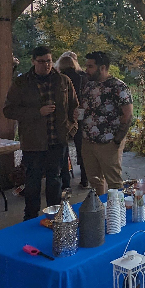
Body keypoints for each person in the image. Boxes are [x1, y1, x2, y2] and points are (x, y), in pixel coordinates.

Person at [4, 46, 78, 220]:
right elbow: (9, 110)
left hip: (57, 140)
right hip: (33, 141)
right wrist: (38, 111)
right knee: (33, 181)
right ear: (33, 61)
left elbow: (74, 106)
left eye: (49, 61)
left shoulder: (63, 81)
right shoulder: (22, 83)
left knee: (55, 180)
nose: (46, 65)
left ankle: (54, 216)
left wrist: (71, 128)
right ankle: (30, 217)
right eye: (42, 61)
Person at [80, 51, 133, 196]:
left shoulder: (118, 87)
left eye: (90, 66)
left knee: (114, 182)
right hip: (88, 141)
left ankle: (118, 212)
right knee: (95, 180)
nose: (87, 70)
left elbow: (128, 115)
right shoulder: (89, 86)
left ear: (102, 67)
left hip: (108, 141)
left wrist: (117, 140)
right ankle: (100, 209)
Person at [57, 53, 88, 189]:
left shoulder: (58, 78)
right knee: (81, 146)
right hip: (81, 114)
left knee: (63, 149)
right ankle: (85, 178)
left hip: (64, 117)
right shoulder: (83, 76)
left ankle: (65, 181)